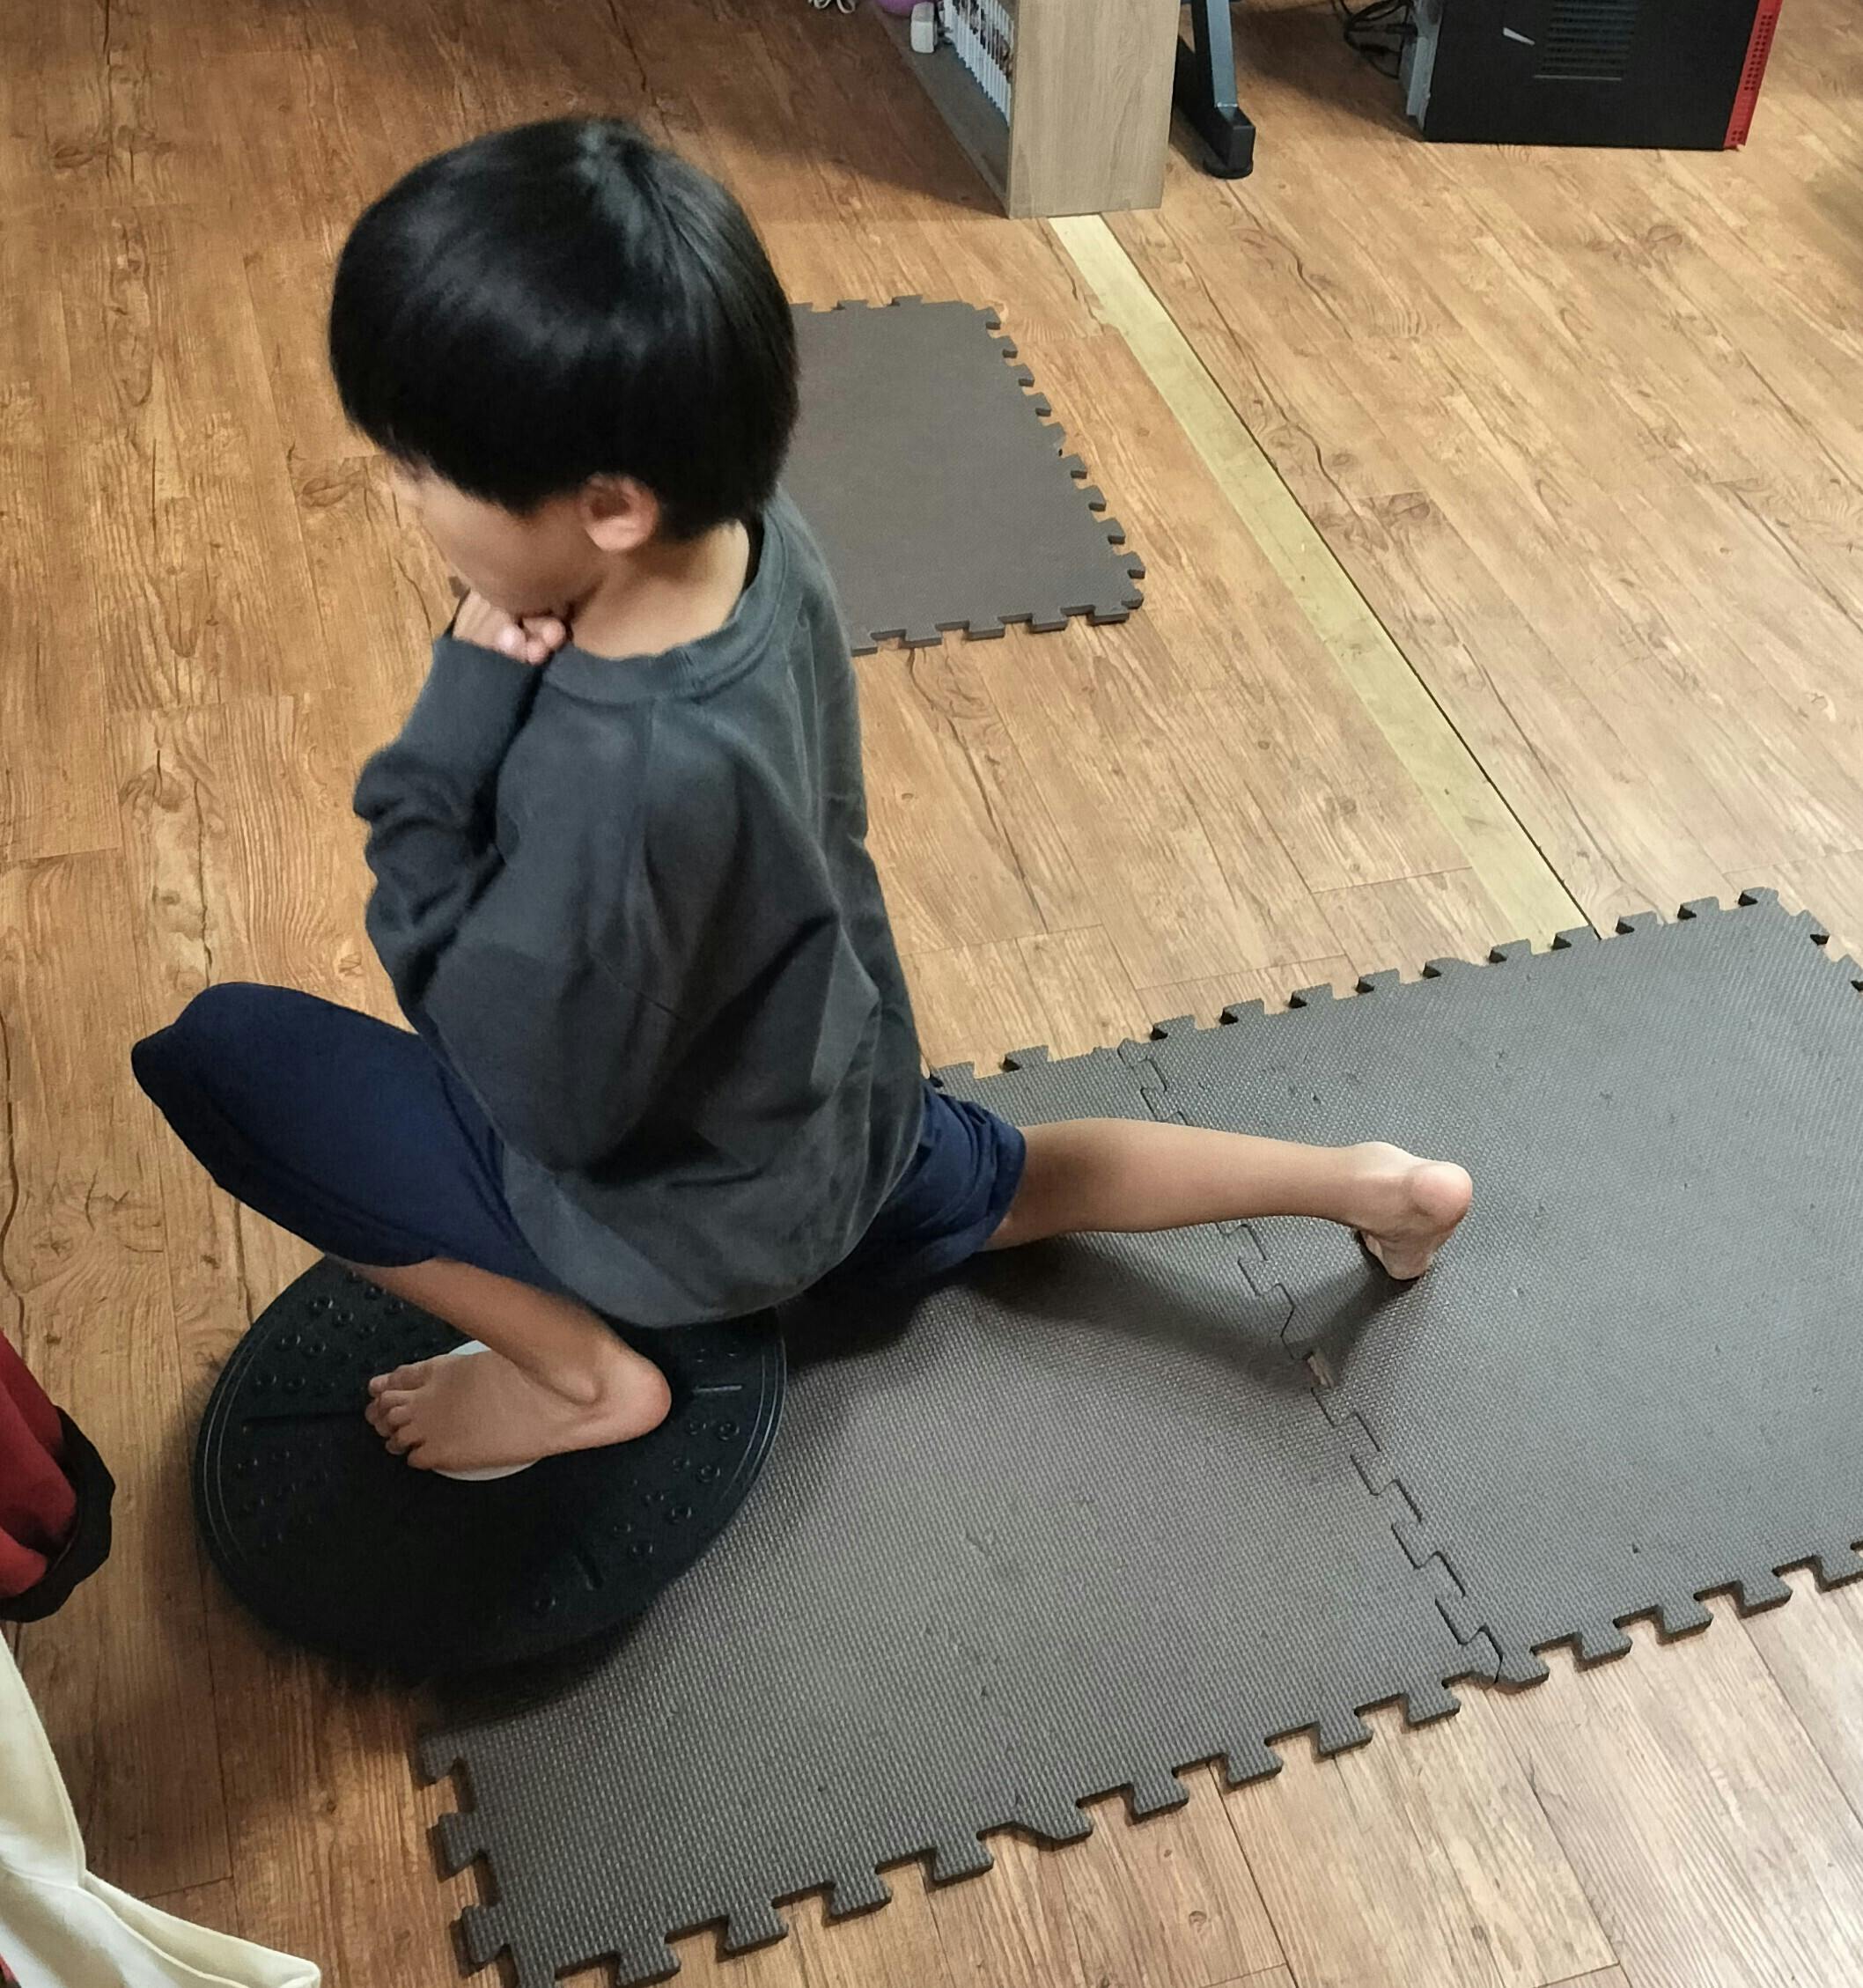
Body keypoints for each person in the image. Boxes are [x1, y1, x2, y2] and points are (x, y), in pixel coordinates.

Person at [133, 119, 1471, 1478]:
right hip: (853, 1111)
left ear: (609, 507)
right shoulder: (754, 533)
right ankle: (1372, 1183)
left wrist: (451, 739)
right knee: (1020, 1182)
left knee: (217, 1055)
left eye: (422, 470)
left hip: (676, 1235)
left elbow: (540, 1099)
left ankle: (581, 1380)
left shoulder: (608, 781)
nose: (401, 493)